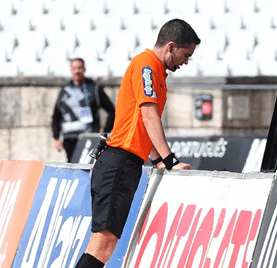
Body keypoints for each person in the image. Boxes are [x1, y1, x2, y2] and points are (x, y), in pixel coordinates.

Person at [74, 19, 200, 268]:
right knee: (103, 246)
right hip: (119, 162)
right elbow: (149, 115)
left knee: (100, 244)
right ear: (171, 47)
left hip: (120, 162)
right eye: (185, 55)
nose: (186, 62)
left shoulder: (153, 70)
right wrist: (170, 160)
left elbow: (141, 123)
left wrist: (155, 159)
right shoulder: (147, 66)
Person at [52, 58, 115, 162]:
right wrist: (56, 138)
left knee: (87, 166)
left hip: (88, 137)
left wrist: (105, 133)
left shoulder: (94, 88)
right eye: (74, 68)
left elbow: (112, 111)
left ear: (84, 69)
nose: (77, 71)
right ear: (71, 70)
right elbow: (56, 116)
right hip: (69, 137)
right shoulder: (64, 90)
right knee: (72, 165)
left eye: (80, 68)